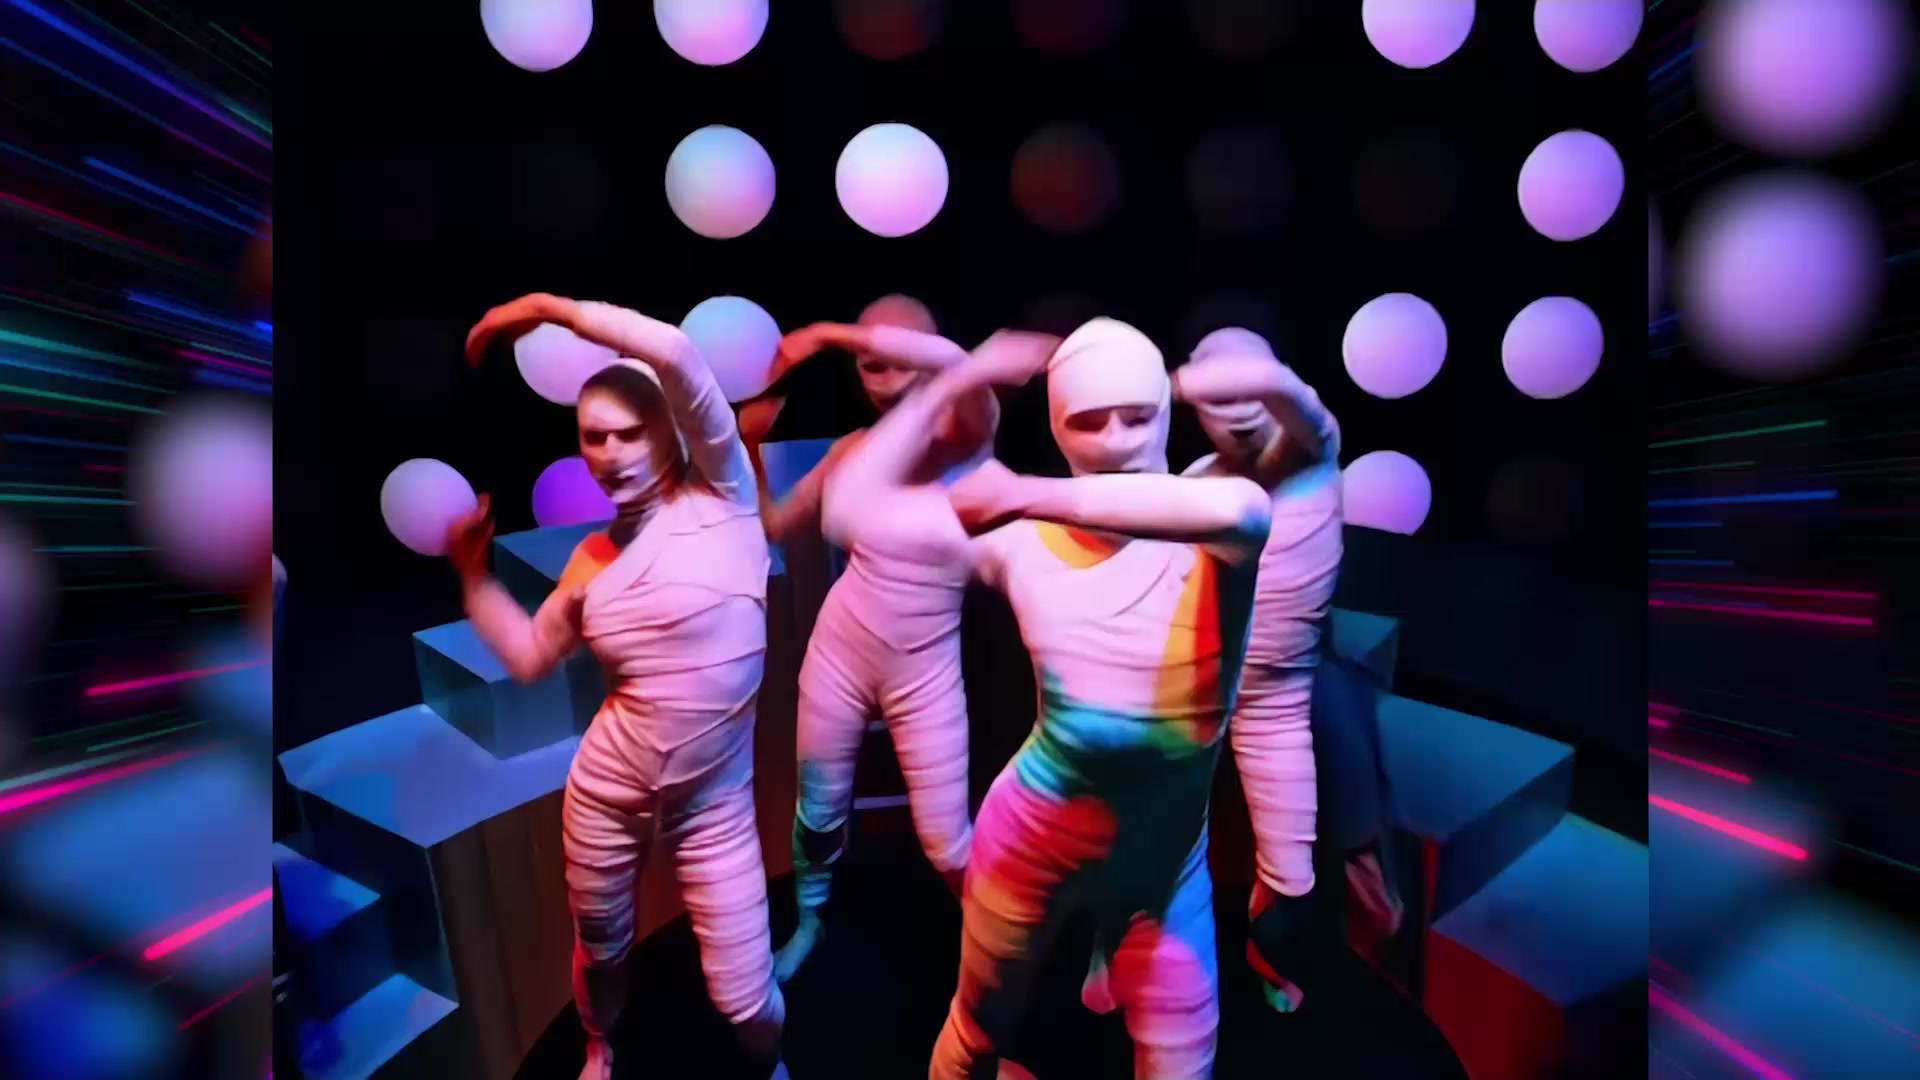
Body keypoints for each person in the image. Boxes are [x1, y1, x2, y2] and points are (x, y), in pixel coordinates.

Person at [820, 318, 1271, 1080]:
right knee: (975, 1033)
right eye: (1089, 420)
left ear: (1167, 415)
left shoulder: (1213, 517)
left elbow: (1243, 512)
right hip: (1030, 838)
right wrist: (968, 373)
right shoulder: (1021, 540)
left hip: (1164, 870)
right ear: (1058, 427)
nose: (1116, 440)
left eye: (1137, 415)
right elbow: (848, 507)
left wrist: (1027, 492)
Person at [451, 293, 787, 1080]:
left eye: (630, 432)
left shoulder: (725, 497)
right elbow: (529, 657)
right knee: (601, 951)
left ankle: (771, 1067)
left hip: (715, 804)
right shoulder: (590, 561)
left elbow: (674, 350)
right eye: (593, 436)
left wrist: (546, 308)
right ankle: (600, 1046)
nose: (609, 454)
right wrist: (472, 576)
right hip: (608, 787)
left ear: (671, 429)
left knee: (747, 1000)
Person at [734, 298, 1001, 982]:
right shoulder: (851, 449)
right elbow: (775, 526)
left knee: (947, 842)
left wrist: (827, 331)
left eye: (897, 355)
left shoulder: (967, 434)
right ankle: (810, 922)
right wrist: (750, 450)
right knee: (818, 813)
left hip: (925, 666)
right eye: (868, 362)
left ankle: (1001, 950)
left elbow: (959, 367)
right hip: (839, 650)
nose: (884, 374)